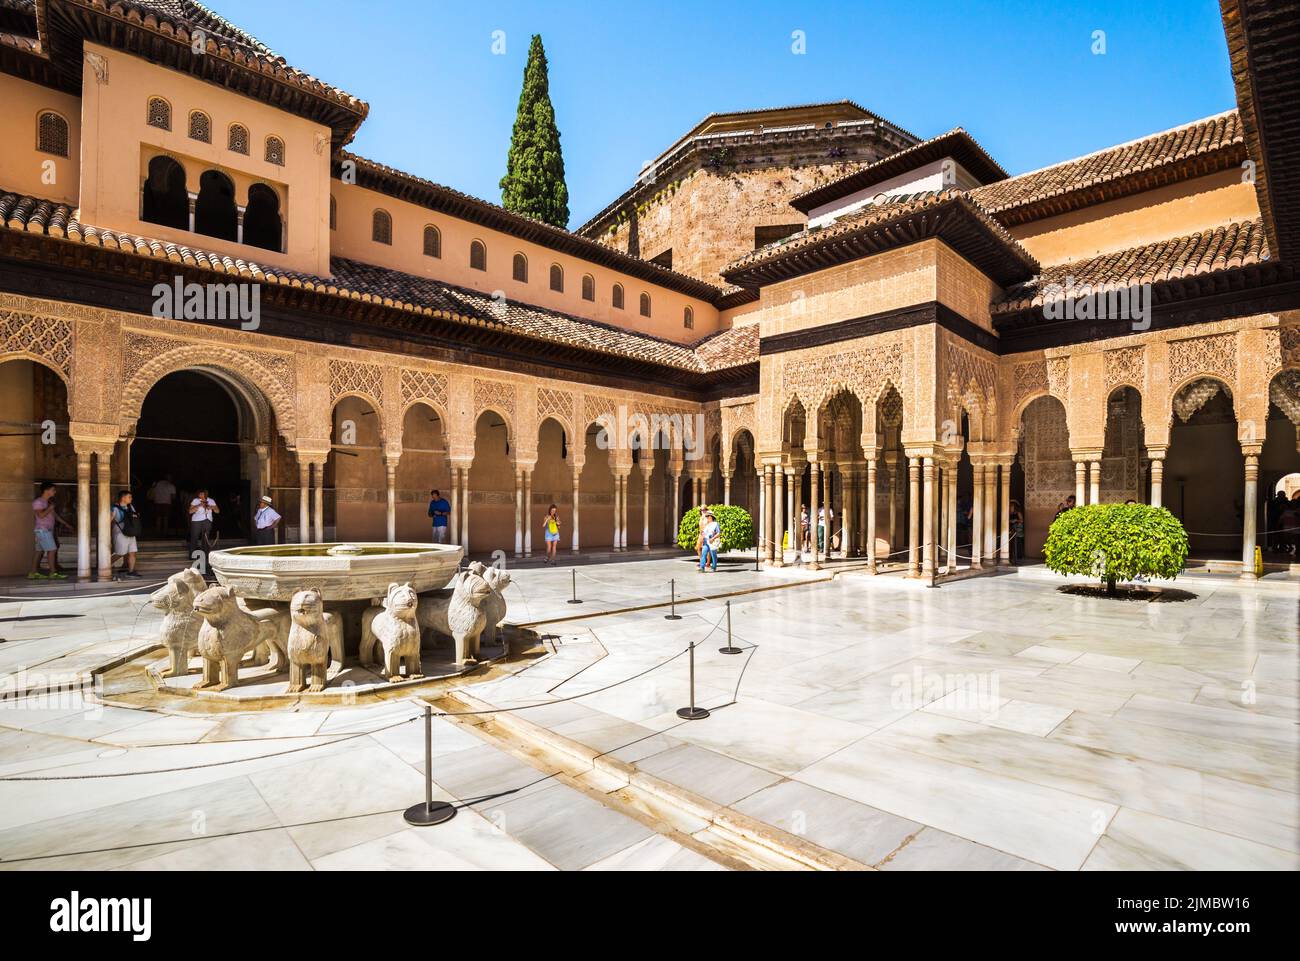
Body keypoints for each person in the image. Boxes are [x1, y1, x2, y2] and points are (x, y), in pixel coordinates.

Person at [30, 481, 70, 580]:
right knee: (52, 549)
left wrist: (66, 524)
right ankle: (53, 572)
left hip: (45, 530)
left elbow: (54, 516)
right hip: (43, 530)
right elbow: (41, 515)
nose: (55, 492)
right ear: (46, 490)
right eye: (53, 490)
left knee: (39, 551)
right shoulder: (38, 502)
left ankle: (33, 573)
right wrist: (50, 507)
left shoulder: (48, 502)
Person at [110, 489, 142, 579]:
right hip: (120, 533)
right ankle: (105, 567)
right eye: (129, 497)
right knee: (119, 553)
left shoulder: (130, 507)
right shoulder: (114, 508)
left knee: (132, 552)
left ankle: (131, 571)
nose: (131, 498)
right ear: (123, 498)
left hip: (131, 532)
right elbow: (109, 520)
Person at [189, 488, 219, 553]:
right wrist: (199, 505)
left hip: (207, 520)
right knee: (195, 536)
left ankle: (205, 553)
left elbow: (217, 511)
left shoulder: (211, 500)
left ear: (206, 494)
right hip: (196, 520)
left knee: (205, 537)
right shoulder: (195, 500)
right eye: (199, 494)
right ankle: (192, 553)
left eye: (202, 494)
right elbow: (190, 511)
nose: (201, 495)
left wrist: (211, 507)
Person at [1009, 498, 1025, 564]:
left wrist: (1015, 520)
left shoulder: (1018, 513)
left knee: (1017, 541)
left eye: (1011, 505)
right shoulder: (1008, 513)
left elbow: (1022, 520)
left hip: (1017, 528)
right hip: (1010, 528)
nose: (1010, 506)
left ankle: (1018, 556)